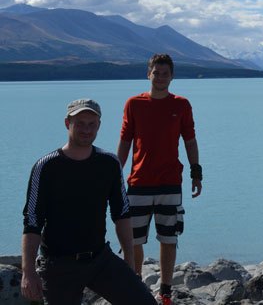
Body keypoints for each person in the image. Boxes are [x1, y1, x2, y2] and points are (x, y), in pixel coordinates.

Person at [21, 99, 156, 305]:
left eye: (92, 124)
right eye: (80, 123)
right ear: (68, 124)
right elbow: (32, 222)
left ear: (99, 126)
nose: (86, 129)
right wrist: (28, 272)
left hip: (100, 259)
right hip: (59, 264)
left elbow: (121, 214)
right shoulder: (46, 167)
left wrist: (130, 264)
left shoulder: (109, 163)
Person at [117, 53, 203, 305]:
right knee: (133, 240)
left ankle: (165, 291)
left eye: (166, 73)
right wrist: (114, 173)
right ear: (149, 74)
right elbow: (124, 141)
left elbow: (190, 140)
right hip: (138, 182)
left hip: (170, 183)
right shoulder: (134, 104)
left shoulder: (181, 105)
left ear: (172, 76)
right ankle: (135, 287)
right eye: (157, 72)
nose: (161, 77)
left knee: (168, 239)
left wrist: (195, 172)